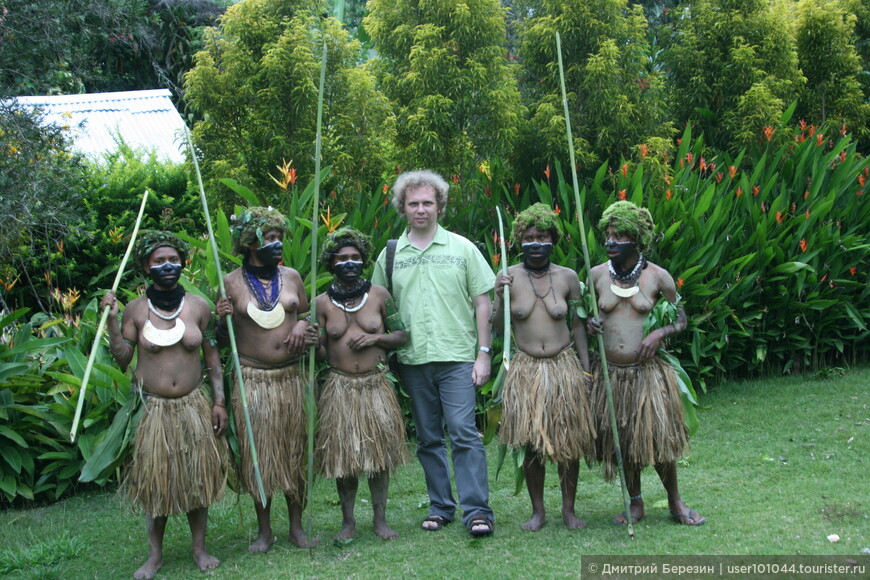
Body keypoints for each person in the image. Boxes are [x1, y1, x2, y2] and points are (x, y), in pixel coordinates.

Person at [371, 169, 496, 537]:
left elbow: (483, 303)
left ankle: (477, 511)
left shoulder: (462, 248)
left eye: (428, 202)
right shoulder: (392, 254)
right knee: (428, 437)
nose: (421, 209)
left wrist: (484, 353)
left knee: (463, 433)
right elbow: (377, 304)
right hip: (413, 361)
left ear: (440, 205)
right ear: (402, 208)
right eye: (413, 204)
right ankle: (441, 507)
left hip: (457, 357)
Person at [100, 230, 227, 580]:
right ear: (146, 266)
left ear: (182, 264)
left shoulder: (199, 307)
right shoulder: (137, 310)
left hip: (192, 407)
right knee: (157, 484)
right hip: (154, 411)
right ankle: (154, 556)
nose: (167, 266)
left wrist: (219, 402)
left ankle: (199, 549)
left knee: (196, 481)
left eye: (173, 260)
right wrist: (111, 322)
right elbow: (124, 358)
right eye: (159, 261)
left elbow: (213, 358)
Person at [586, 200, 706, 526]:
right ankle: (636, 503)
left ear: (637, 240)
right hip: (610, 374)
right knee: (624, 440)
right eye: (607, 234)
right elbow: (584, 318)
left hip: (647, 374)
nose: (610, 241)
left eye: (618, 235)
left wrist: (658, 334)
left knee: (659, 438)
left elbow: (681, 320)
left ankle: (675, 502)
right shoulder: (596, 276)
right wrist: (590, 325)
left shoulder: (658, 277)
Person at [214, 207, 318, 552]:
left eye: (279, 238)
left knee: (294, 452)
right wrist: (220, 318)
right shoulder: (228, 282)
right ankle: (264, 531)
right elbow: (219, 337)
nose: (277, 244)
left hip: (291, 378)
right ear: (250, 242)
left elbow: (304, 314)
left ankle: (297, 527)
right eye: (270, 238)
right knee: (260, 457)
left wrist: (303, 325)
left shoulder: (291, 276)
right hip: (254, 381)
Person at [492, 203, 596, 531]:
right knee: (530, 442)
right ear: (519, 240)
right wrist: (498, 296)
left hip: (563, 366)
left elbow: (578, 326)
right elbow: (498, 327)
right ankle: (538, 511)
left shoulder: (567, 277)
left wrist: (587, 369)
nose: (536, 243)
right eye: (530, 237)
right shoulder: (508, 276)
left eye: (543, 236)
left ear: (554, 239)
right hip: (526, 370)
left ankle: (569, 510)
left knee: (568, 442)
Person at [312, 228, 411, 541]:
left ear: (363, 261)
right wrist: (314, 343)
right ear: (331, 263)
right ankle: (348, 522)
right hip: (340, 387)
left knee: (379, 457)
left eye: (355, 257)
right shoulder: (321, 303)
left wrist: (375, 337)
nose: (349, 263)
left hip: (375, 385)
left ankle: (380, 520)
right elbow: (323, 354)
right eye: (342, 258)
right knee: (345, 460)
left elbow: (402, 335)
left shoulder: (379, 295)